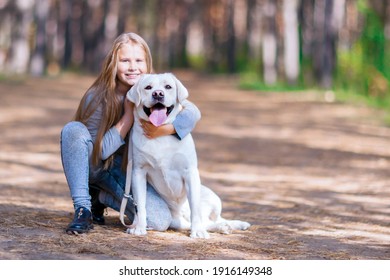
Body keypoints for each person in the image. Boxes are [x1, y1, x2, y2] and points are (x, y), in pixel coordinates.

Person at [60, 32, 201, 234]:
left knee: (160, 221)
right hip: (96, 167)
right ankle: (84, 207)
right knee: (73, 130)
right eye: (125, 60)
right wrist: (128, 116)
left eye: (139, 60)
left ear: (147, 63)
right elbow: (97, 154)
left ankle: (103, 197)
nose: (133, 67)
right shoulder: (97, 96)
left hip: (124, 172)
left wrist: (163, 128)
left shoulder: (152, 88)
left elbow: (193, 112)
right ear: (113, 63)